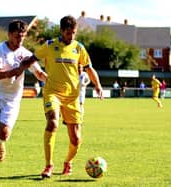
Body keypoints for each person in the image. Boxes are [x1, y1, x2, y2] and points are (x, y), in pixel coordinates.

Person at [24, 15, 103, 178]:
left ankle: (68, 162)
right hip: (52, 92)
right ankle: (48, 166)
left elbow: (89, 68)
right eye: (68, 33)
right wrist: (20, 70)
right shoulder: (50, 45)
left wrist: (98, 85)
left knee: (76, 140)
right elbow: (32, 59)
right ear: (61, 31)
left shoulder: (79, 48)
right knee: (52, 123)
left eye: (73, 33)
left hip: (72, 98)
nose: (71, 36)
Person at [0, 20, 47, 176]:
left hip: (12, 99)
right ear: (9, 34)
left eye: (23, 37)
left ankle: (1, 143)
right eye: (16, 36)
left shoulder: (26, 54)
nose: (19, 40)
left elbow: (39, 74)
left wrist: (53, 81)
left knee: (4, 132)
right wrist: (14, 71)